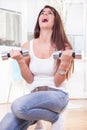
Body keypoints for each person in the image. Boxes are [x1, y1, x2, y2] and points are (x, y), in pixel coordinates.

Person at [0, 5, 74, 130]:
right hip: (34, 98)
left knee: (17, 106)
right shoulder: (27, 46)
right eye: (42, 13)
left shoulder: (63, 46)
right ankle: (39, 122)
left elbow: (57, 82)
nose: (44, 14)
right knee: (6, 125)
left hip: (56, 96)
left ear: (56, 21)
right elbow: (30, 80)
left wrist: (65, 64)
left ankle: (55, 118)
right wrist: (20, 61)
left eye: (49, 13)